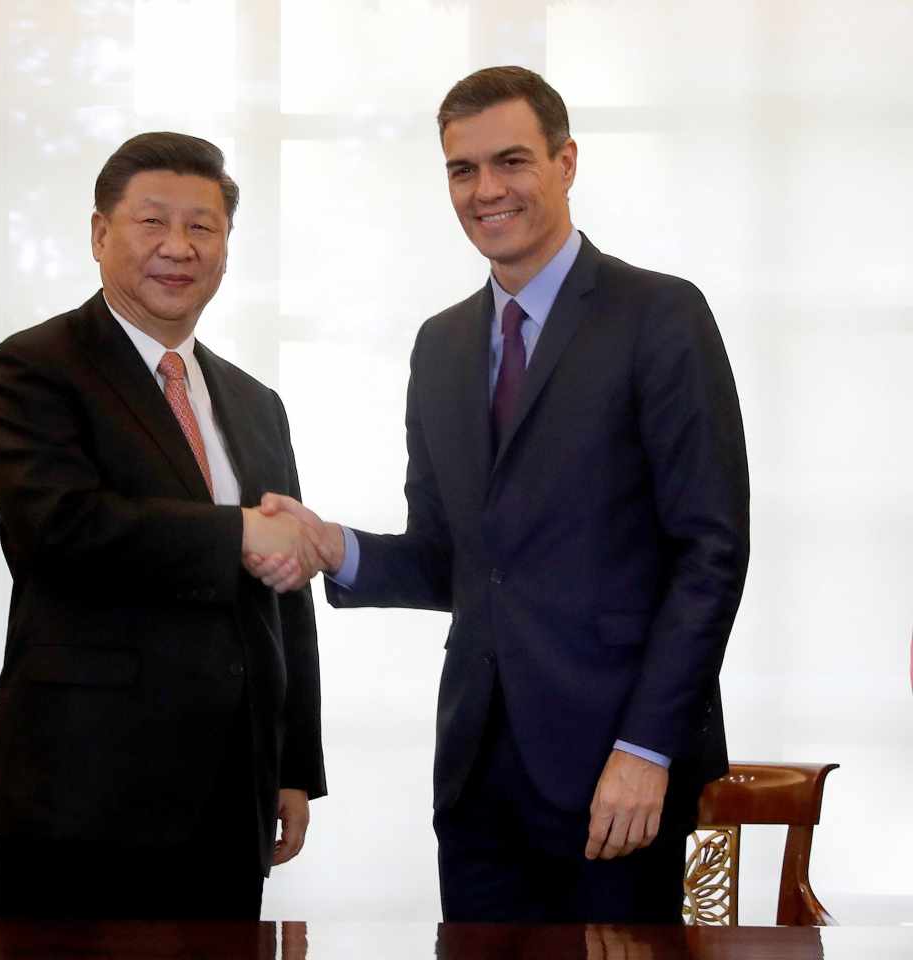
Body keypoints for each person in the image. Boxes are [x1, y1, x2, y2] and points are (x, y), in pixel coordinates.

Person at [249, 66, 750, 923]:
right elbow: (457, 561)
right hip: (478, 776)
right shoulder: (440, 345)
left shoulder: (660, 315)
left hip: (616, 774)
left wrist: (646, 747)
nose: (486, 191)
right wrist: (337, 546)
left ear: (566, 161)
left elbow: (711, 552)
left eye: (511, 161)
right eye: (461, 169)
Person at [0, 131, 327, 921]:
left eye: (202, 227)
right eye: (151, 223)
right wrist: (235, 534)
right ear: (100, 234)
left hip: (231, 796)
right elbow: (55, 528)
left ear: (227, 246)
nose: (178, 247)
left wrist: (294, 762)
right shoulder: (36, 366)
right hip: (84, 791)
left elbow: (285, 590)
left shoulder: (255, 402)